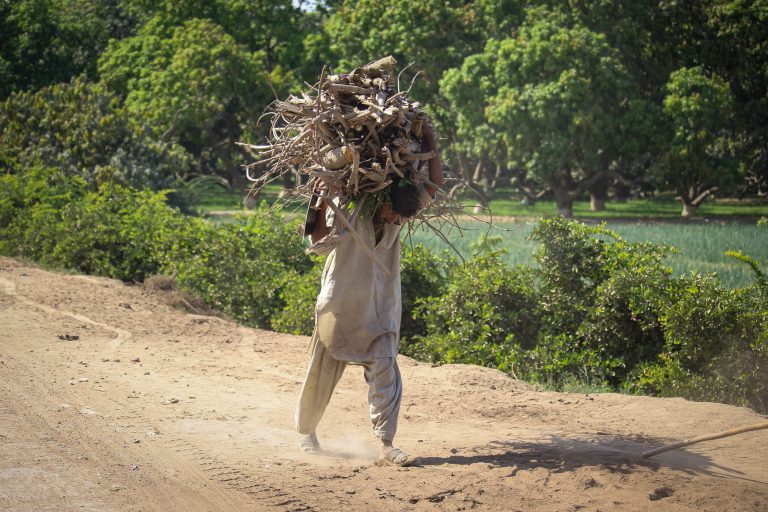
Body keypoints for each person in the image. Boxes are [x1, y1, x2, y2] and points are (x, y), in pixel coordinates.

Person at [295, 125, 443, 466]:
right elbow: (317, 243)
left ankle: (385, 444)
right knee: (320, 373)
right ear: (381, 199)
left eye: (402, 217)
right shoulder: (349, 211)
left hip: (381, 310)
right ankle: (307, 432)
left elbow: (433, 187)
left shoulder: (401, 210)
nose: (396, 220)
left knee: (386, 372)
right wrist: (318, 198)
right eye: (394, 213)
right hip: (339, 307)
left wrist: (429, 142)